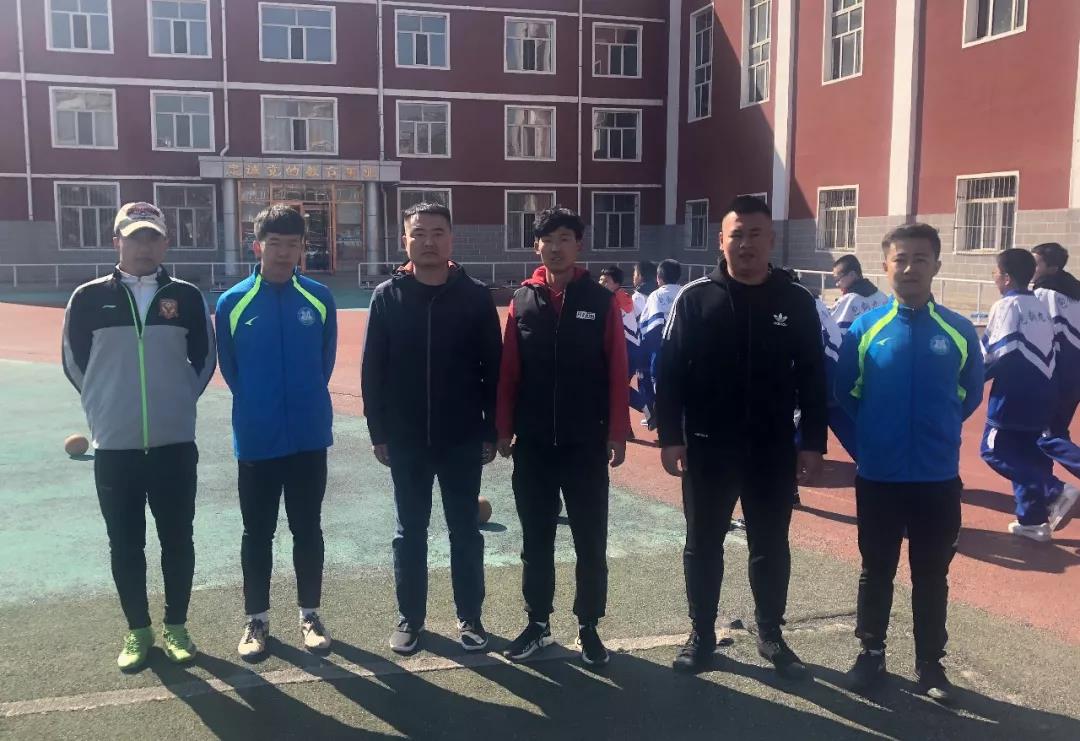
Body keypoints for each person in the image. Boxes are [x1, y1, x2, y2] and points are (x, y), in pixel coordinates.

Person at [657, 196, 826, 677]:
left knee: (771, 543)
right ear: (721, 240)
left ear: (771, 240)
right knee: (702, 543)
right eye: (737, 235)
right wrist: (671, 435)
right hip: (708, 445)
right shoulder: (695, 299)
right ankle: (701, 633)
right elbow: (669, 372)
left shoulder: (796, 301)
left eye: (755, 234)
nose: (746, 244)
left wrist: (813, 442)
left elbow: (814, 376)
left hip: (772, 449)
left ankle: (770, 633)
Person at [62, 202, 216, 671]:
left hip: (174, 444)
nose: (144, 246)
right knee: (125, 544)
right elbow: (74, 362)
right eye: (134, 237)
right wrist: (104, 406)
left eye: (152, 237)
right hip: (115, 447)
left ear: (165, 243)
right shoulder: (88, 297)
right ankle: (138, 629)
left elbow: (204, 359)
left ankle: (176, 625)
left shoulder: (186, 297)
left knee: (178, 539)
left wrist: (178, 402)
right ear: (117, 242)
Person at [835, 223, 984, 704]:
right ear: (886, 266)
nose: (910, 268)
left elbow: (967, 395)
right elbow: (846, 393)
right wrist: (879, 437)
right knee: (876, 568)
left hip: (937, 478)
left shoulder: (959, 330)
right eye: (900, 259)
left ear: (936, 265)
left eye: (921, 258)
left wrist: (934, 433)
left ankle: (930, 664)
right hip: (879, 476)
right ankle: (871, 653)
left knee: (931, 574)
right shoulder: (865, 329)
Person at [362, 202, 503, 655]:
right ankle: (411, 618)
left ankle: (471, 617)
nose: (428, 241)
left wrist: (491, 429)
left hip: (462, 438)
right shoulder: (387, 296)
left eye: (438, 232)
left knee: (465, 531)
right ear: (404, 240)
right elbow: (373, 371)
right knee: (410, 532)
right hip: (406, 440)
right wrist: (379, 431)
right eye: (418, 233)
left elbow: (493, 369)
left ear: (451, 239)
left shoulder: (475, 296)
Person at [496, 206, 630, 667]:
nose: (556, 247)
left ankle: (589, 625)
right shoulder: (522, 300)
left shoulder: (601, 300)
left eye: (565, 238)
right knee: (536, 541)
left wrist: (617, 431)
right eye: (548, 239)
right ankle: (538, 623)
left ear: (579, 245)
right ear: (537, 246)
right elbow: (509, 371)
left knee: (590, 540)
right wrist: (504, 428)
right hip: (533, 445)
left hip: (585, 444)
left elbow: (617, 370)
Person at [215, 205, 338, 661]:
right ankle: (257, 619)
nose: (284, 252)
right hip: (257, 437)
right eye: (275, 243)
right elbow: (231, 369)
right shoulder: (232, 302)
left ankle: (310, 614)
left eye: (293, 244)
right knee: (257, 533)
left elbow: (324, 362)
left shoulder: (319, 298)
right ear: (257, 246)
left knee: (307, 528)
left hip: (308, 436)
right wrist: (260, 406)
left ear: (303, 248)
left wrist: (302, 403)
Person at [980, 249, 1060, 542]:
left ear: (1007, 277)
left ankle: (1055, 490)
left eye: (996, 273)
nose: (994, 278)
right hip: (1043, 390)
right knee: (1028, 454)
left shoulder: (1007, 305)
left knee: (993, 450)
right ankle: (1033, 522)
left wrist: (969, 379)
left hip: (1013, 393)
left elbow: (996, 354)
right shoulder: (1039, 305)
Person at [1032, 242, 1080, 524]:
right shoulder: (1075, 292)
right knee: (1056, 432)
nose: (1032, 268)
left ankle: (1055, 492)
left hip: (1055, 375)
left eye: (1036, 263)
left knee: (1044, 436)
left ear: (1052, 267)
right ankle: (1046, 496)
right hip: (1074, 376)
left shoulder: (1042, 294)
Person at [638, 259, 682, 430]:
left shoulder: (656, 295)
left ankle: (663, 420)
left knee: (660, 385)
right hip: (684, 348)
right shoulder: (685, 291)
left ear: (658, 277)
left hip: (662, 349)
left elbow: (651, 325)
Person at [600, 265, 644, 428]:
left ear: (617, 284)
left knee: (616, 387)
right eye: (600, 280)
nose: (601, 283)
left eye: (606, 281)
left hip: (626, 349)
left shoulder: (613, 300)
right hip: (632, 348)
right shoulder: (624, 297)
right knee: (617, 388)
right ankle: (627, 426)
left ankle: (649, 408)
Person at [831, 255, 890, 331]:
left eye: (838, 279)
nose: (837, 284)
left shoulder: (847, 301)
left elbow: (833, 332)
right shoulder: (882, 296)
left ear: (852, 274)